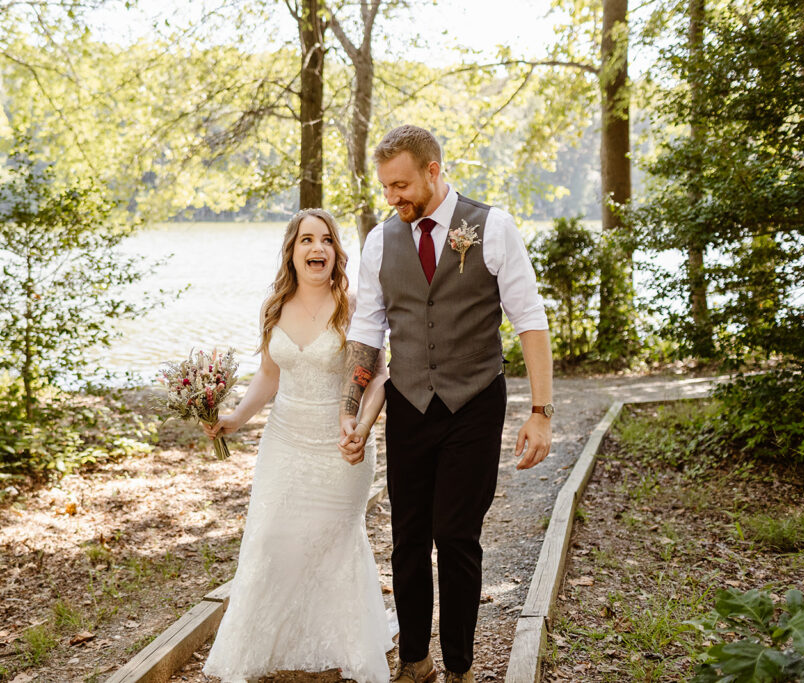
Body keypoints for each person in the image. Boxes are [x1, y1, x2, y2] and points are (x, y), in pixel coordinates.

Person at [339, 125, 554, 683]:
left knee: (457, 535)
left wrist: (541, 411)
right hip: (409, 405)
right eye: (386, 187)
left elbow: (529, 320)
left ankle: (459, 665)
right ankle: (416, 659)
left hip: (475, 403)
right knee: (408, 536)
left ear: (434, 171)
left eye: (402, 185)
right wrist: (352, 403)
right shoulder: (379, 241)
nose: (393, 197)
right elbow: (367, 329)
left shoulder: (493, 226)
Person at [201, 208, 394, 683]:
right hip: (283, 441)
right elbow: (269, 375)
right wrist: (235, 418)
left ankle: (343, 645)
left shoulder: (354, 305)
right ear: (292, 250)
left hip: (340, 445)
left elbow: (377, 376)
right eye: (307, 240)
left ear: (336, 251)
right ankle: (271, 647)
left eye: (326, 240)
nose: (317, 249)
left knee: (332, 542)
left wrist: (363, 427)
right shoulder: (275, 306)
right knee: (269, 540)